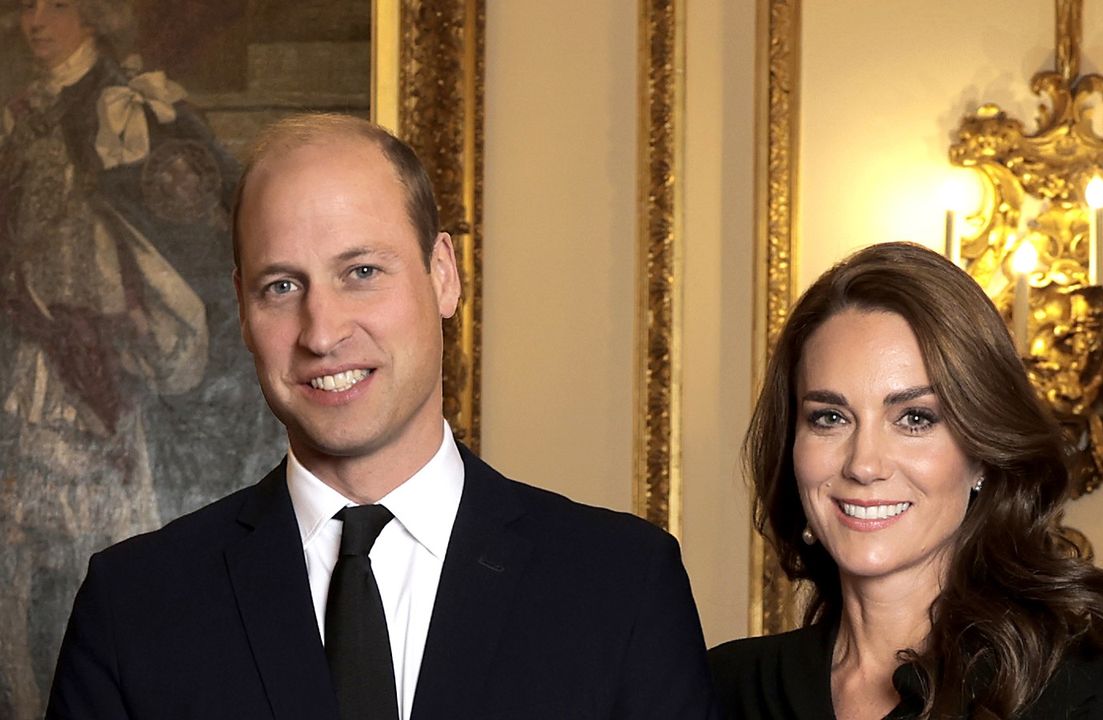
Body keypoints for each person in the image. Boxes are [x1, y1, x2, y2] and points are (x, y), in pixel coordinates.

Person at [46, 114, 718, 719]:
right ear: (242, 313)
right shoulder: (133, 607)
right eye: (281, 286)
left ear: (443, 275)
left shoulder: (620, 586)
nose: (322, 331)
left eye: (361, 272)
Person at [709, 242, 1103, 719]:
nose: (864, 464)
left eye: (915, 418)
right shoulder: (726, 688)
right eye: (830, 417)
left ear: (982, 451)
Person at [0, 0, 236, 715]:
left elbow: (187, 217)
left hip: (111, 357)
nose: (34, 21)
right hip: (32, 347)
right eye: (24, 6)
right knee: (20, 534)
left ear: (95, 15)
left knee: (104, 540)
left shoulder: (130, 105)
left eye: (55, 4)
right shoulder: (21, 112)